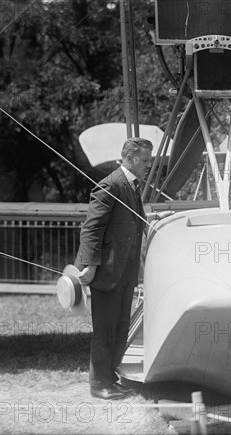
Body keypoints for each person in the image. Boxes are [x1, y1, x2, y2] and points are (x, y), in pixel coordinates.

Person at [75, 137, 152, 400]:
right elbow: (91, 228)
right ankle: (99, 384)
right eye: (144, 160)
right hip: (107, 273)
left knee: (120, 329)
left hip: (125, 273)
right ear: (129, 158)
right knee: (105, 330)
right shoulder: (110, 185)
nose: (148, 166)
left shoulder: (131, 186)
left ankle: (111, 377)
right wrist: (87, 265)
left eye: (148, 161)